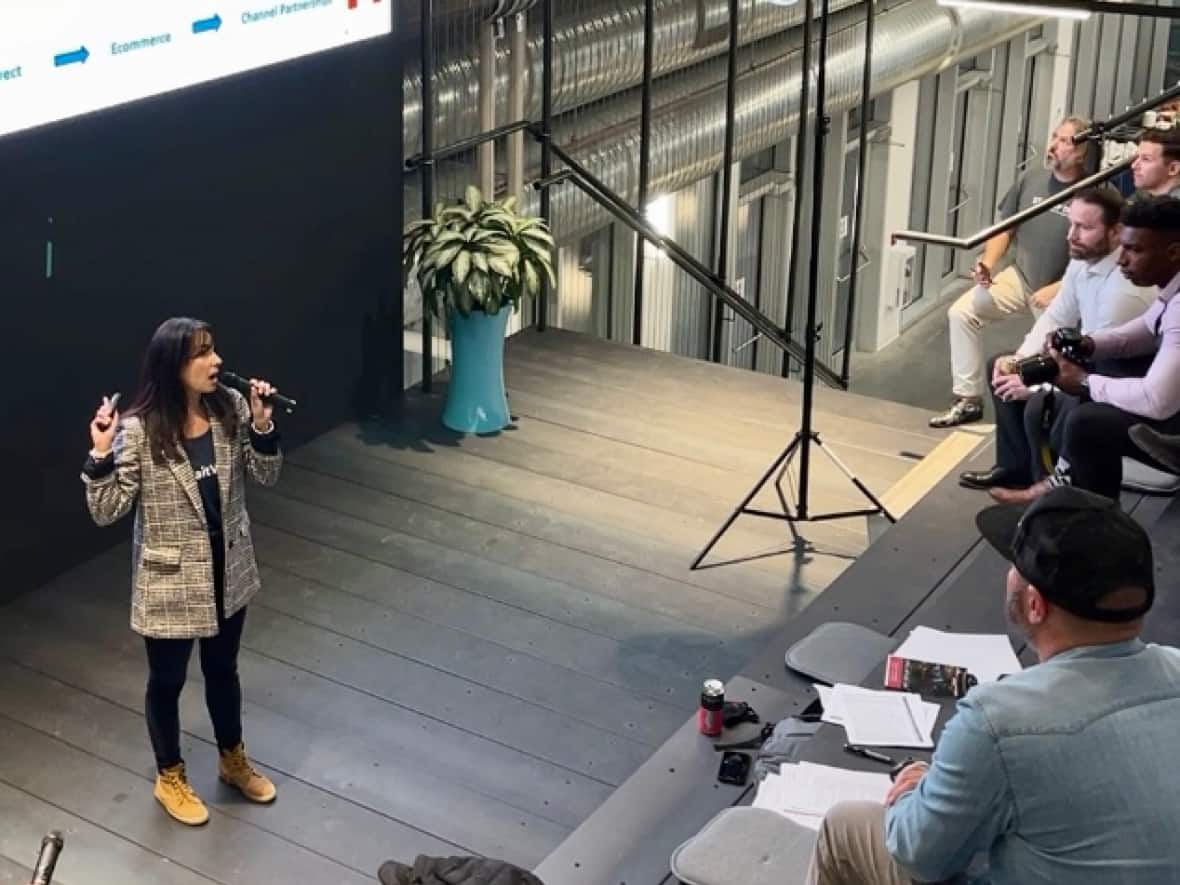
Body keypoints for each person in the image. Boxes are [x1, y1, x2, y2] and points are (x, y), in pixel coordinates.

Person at [805, 486, 1180, 885]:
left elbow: (919, 856)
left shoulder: (997, 721)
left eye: (1013, 563)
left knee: (845, 826)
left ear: (1035, 604)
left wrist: (915, 789)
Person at [81, 317, 283, 826]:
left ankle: (232, 759)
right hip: (170, 580)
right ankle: (169, 773)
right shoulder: (140, 431)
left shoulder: (231, 409)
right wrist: (101, 452)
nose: (216, 362)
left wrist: (262, 423)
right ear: (173, 365)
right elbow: (106, 509)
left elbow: (267, 473)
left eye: (214, 350)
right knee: (166, 681)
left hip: (227, 568)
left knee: (223, 670)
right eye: (201, 354)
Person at [959, 189, 1154, 491]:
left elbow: (1095, 366)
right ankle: (1015, 470)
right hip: (1091, 359)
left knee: (1040, 403)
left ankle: (1050, 488)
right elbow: (1058, 315)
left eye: (1085, 228)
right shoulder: (1083, 259)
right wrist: (1020, 360)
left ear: (1116, 232)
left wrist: (1034, 384)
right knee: (1000, 366)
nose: (1071, 236)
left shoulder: (1123, 292)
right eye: (1071, 224)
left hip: (1120, 377)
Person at [932, 116, 1092, 428]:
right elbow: (1006, 227)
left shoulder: (1095, 190)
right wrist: (988, 262)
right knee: (962, 312)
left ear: (1082, 152)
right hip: (1021, 276)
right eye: (1054, 137)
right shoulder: (1031, 179)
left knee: (1044, 356)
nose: (1054, 145)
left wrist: (1060, 287)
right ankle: (967, 399)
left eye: (1064, 141)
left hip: (1063, 290)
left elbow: (1099, 256)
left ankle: (1047, 413)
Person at [1130, 129, 1180, 199]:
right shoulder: (1145, 192)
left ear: (1173, 169)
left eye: (1146, 159)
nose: (1134, 166)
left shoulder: (1173, 208)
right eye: (1137, 157)